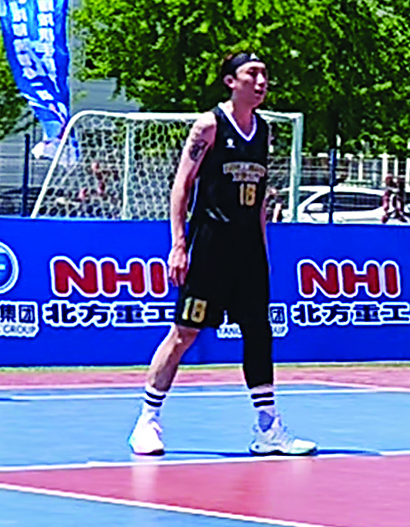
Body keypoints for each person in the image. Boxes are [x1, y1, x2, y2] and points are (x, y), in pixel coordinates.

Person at [128, 52, 314, 457]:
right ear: (231, 81)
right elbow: (181, 186)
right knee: (185, 333)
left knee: (258, 333)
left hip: (248, 251)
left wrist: (262, 251)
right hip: (210, 245)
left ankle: (267, 428)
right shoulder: (209, 126)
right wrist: (178, 245)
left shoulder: (263, 130)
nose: (262, 81)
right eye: (253, 74)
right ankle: (147, 420)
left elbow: (260, 198)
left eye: (265, 74)